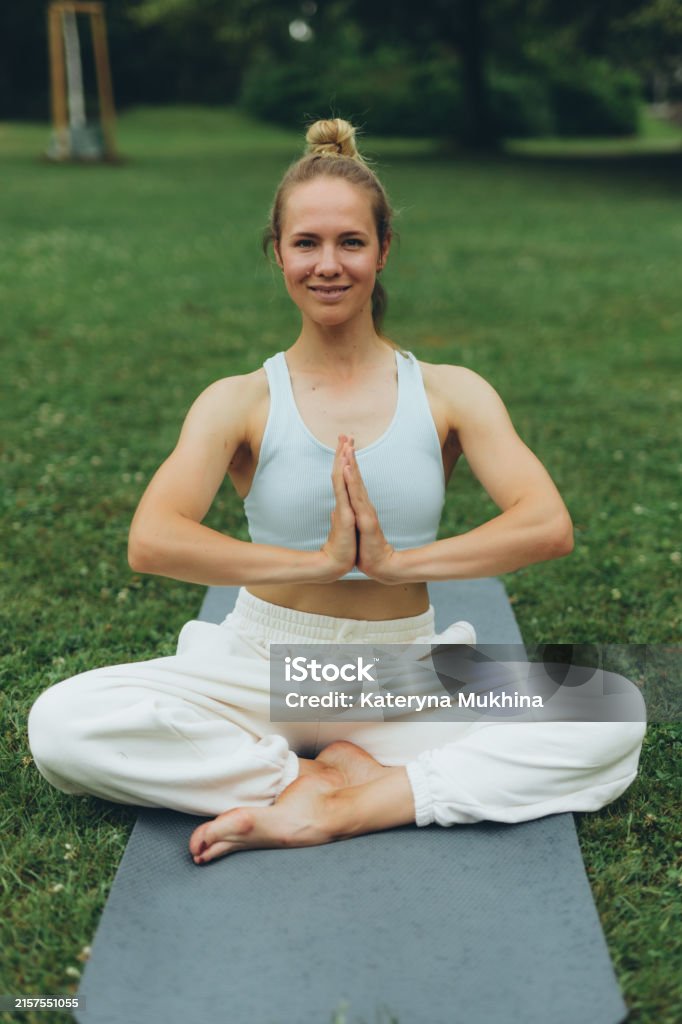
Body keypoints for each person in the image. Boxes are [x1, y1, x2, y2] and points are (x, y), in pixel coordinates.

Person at [28, 118, 645, 866]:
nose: (329, 265)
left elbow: (547, 524)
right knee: (61, 723)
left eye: (351, 242)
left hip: (398, 671)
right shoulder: (239, 399)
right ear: (278, 254)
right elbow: (152, 539)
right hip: (260, 665)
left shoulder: (452, 393)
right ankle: (313, 778)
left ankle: (353, 802)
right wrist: (314, 564)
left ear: (384, 251)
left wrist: (393, 564)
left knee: (612, 708)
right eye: (306, 244)